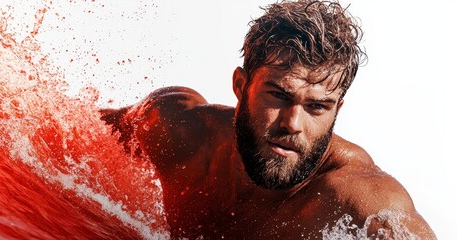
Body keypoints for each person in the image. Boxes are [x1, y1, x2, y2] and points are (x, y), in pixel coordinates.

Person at [101, 0, 436, 239]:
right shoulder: (179, 130)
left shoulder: (358, 202)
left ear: (337, 110)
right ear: (240, 85)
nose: (292, 123)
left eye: (317, 107)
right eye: (278, 95)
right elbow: (68, 132)